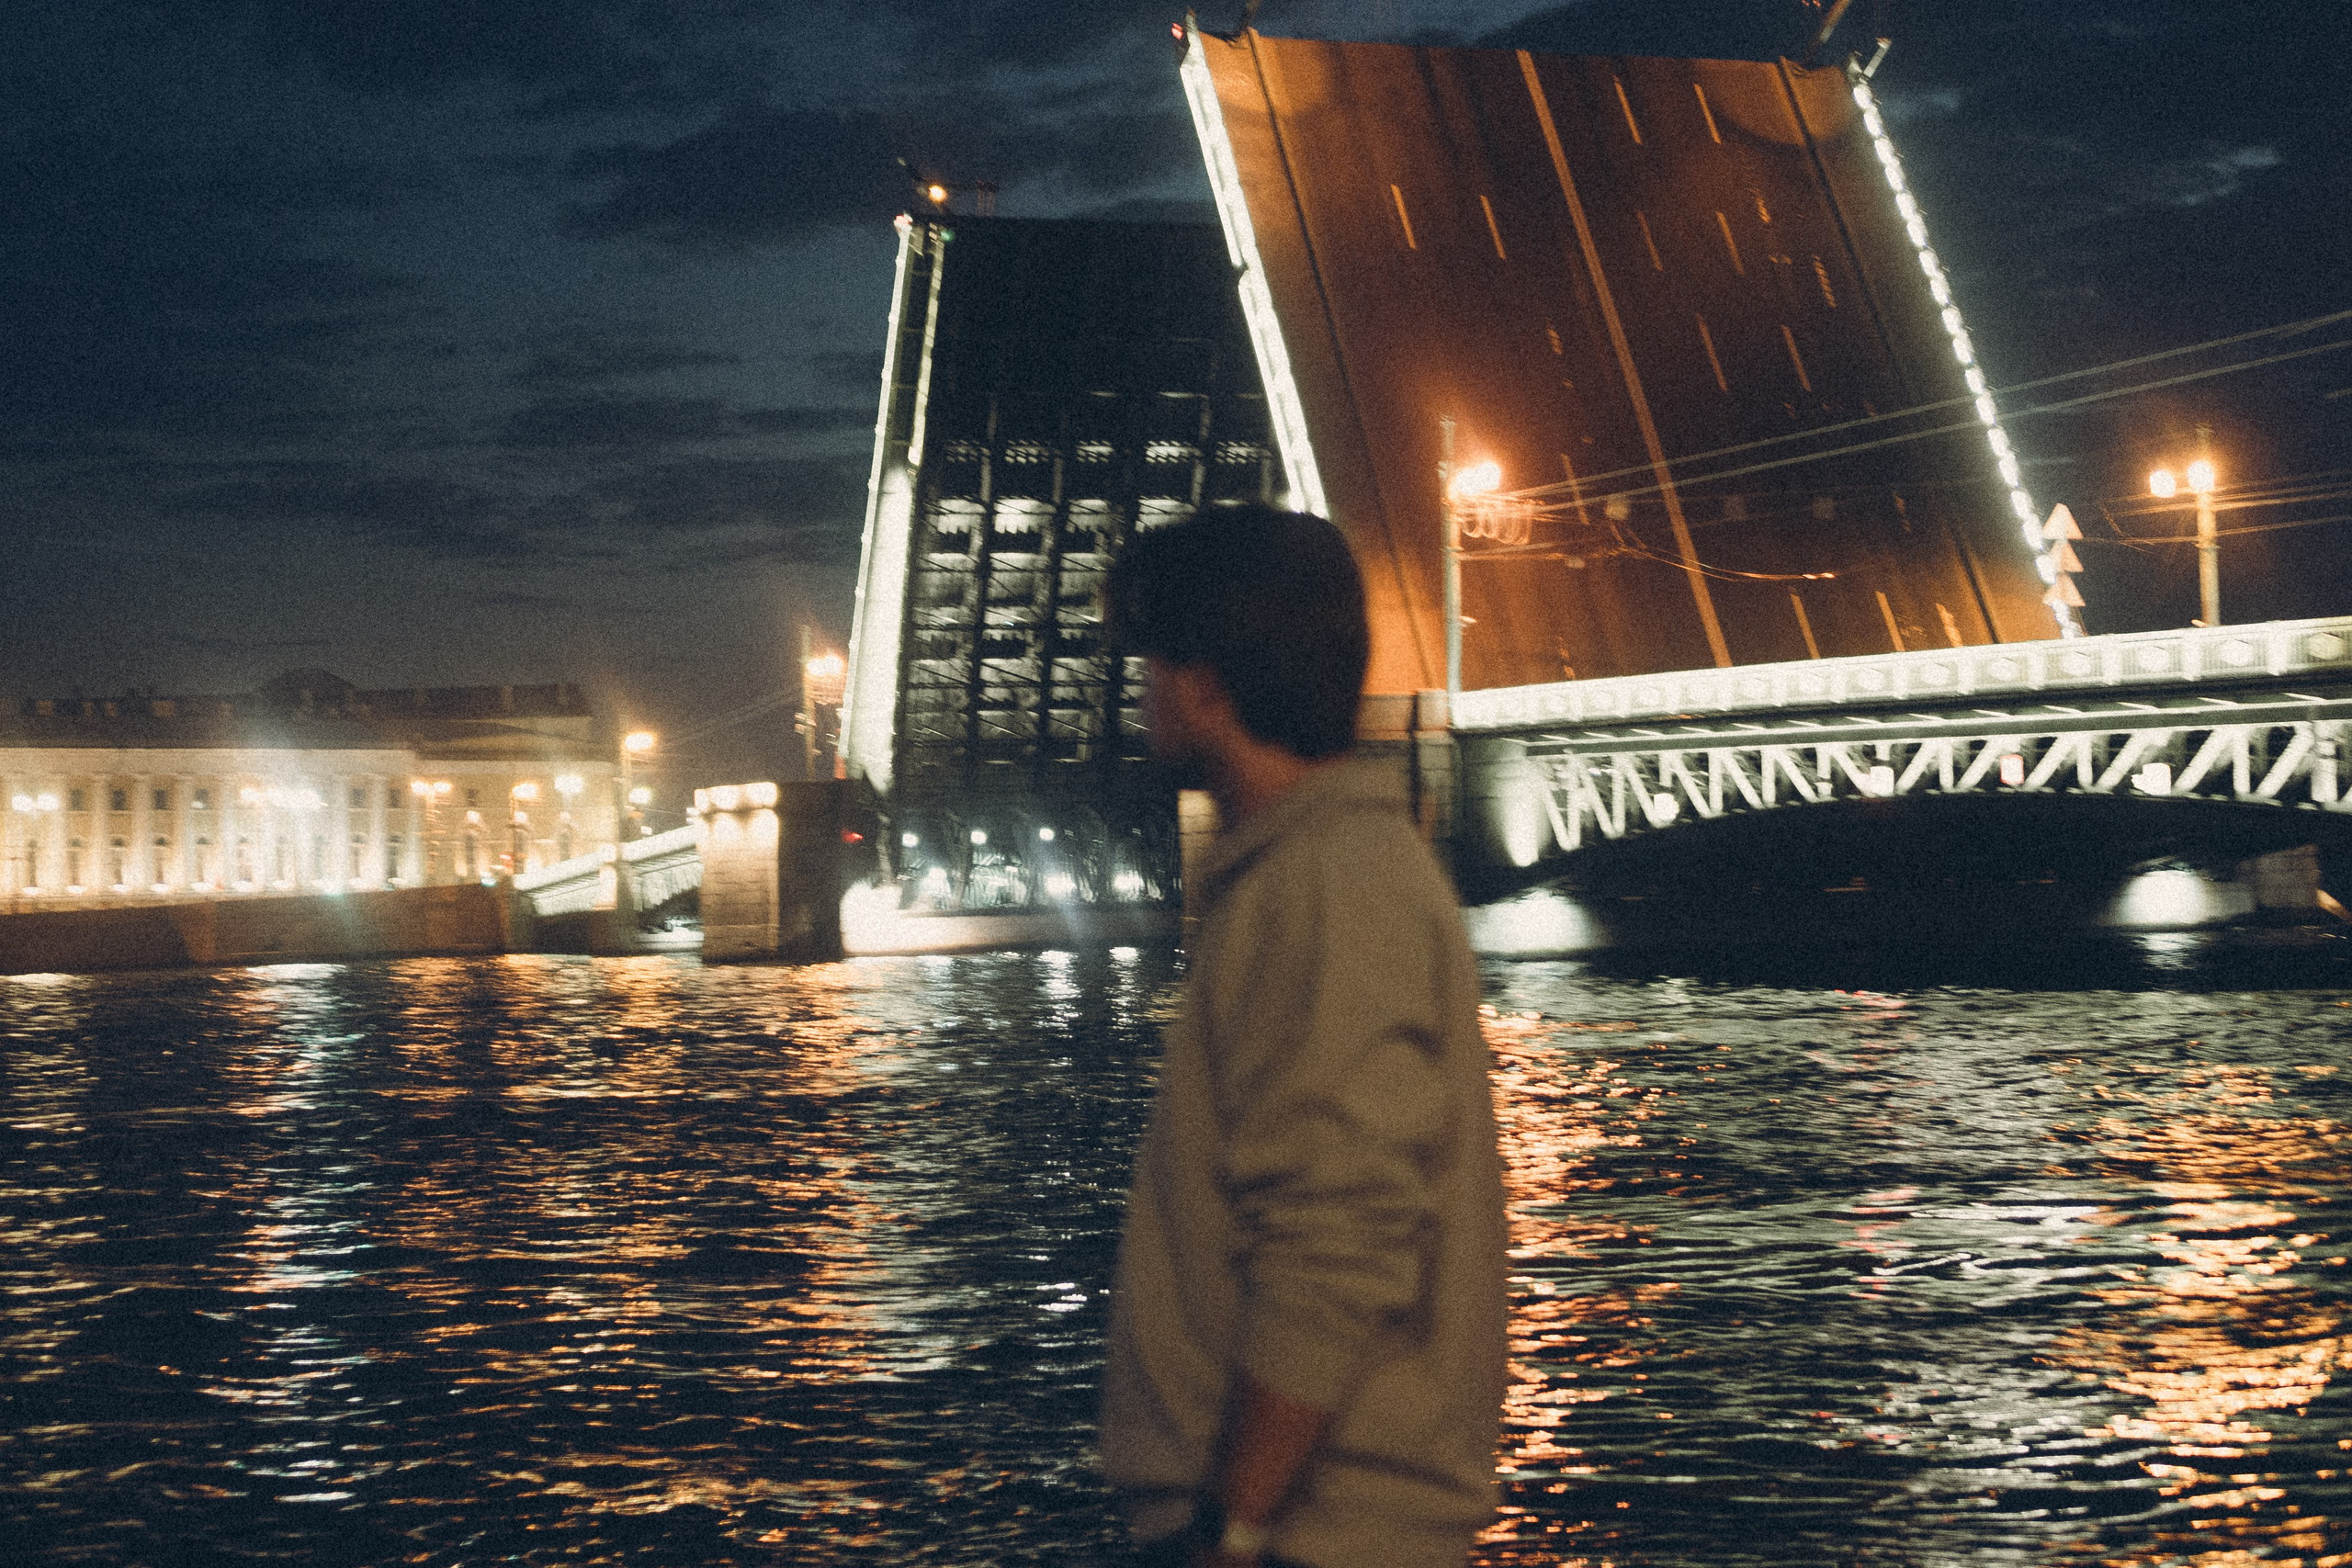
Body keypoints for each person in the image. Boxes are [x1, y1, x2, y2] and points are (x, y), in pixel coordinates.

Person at [1097, 503, 1510, 1568]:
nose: (1144, 687)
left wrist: (1232, 1527)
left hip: (1309, 1537)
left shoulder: (1328, 886)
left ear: (1204, 683)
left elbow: (1338, 1236)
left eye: (1153, 660)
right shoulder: (1310, 874)